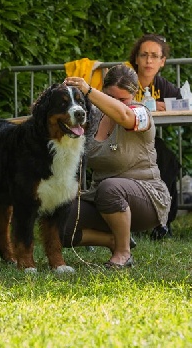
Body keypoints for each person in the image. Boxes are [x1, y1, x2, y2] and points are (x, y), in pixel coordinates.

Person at [61, 64, 171, 268]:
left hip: (148, 198)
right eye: (110, 97)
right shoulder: (93, 115)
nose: (116, 104)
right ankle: (116, 240)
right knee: (59, 219)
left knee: (110, 188)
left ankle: (123, 253)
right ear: (103, 92)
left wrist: (89, 90)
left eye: (122, 99)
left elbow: (123, 116)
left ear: (135, 94)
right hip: (102, 197)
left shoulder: (141, 112)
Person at [125, 33, 182, 111]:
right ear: (136, 59)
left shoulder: (162, 84)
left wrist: (169, 106)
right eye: (144, 55)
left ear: (162, 61)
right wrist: (147, 106)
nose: (148, 61)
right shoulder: (124, 79)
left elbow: (183, 101)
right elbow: (116, 105)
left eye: (154, 56)